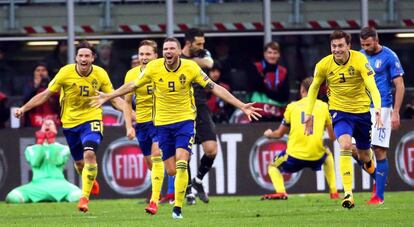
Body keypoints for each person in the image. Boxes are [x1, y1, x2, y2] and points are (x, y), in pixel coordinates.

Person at [90, 37, 261, 219]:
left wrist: (241, 105)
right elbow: (133, 85)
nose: (168, 52)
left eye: (172, 48)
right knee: (171, 170)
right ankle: (178, 192)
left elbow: (215, 87)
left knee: (181, 162)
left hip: (185, 121)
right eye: (166, 49)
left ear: (179, 52)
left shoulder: (191, 68)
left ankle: (177, 208)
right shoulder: (154, 68)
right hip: (162, 124)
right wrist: (109, 95)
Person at [14, 40, 126, 213]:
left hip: (92, 118)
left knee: (89, 153)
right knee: (80, 163)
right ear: (76, 57)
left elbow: (114, 97)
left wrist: (130, 114)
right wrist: (24, 108)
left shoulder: (100, 74)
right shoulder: (65, 72)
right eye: (80, 55)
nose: (83, 59)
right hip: (70, 122)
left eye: (87, 55)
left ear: (92, 58)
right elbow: (45, 94)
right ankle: (90, 179)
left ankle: (84, 198)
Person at [304, 30, 382, 209]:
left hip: (362, 113)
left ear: (348, 46)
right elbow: (313, 89)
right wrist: (309, 114)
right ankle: (348, 194)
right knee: (345, 145)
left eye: (340, 45)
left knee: (364, 155)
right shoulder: (323, 65)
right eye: (334, 46)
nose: (337, 49)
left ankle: (371, 165)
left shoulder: (360, 60)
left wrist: (376, 107)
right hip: (340, 112)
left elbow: (372, 86)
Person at [262, 77, 339, 200]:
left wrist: (269, 134)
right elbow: (332, 137)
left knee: (272, 166)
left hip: (294, 156)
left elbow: (279, 134)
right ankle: (334, 192)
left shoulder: (292, 107)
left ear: (302, 90)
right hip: (316, 155)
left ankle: (281, 192)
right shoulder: (324, 107)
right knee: (328, 155)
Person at [359, 27, 405, 205]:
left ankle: (378, 196)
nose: (365, 47)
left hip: (383, 108)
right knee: (354, 149)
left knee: (379, 150)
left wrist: (395, 112)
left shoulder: (389, 56)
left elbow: (399, 85)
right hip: (361, 107)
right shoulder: (360, 56)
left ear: (376, 40)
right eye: (362, 44)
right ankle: (375, 174)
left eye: (368, 44)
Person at [123, 40, 164, 215]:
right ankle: (168, 186)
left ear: (156, 56)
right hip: (142, 123)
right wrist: (129, 126)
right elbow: (126, 103)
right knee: (151, 163)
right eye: (141, 54)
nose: (144, 57)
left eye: (148, 54)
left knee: (156, 155)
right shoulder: (131, 74)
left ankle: (154, 200)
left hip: (161, 120)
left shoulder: (163, 71)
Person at [6, 119, 82, 203]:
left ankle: (63, 197)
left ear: (55, 130)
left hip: (59, 185)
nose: (48, 124)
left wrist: (51, 143)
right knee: (13, 197)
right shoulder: (31, 149)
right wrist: (39, 143)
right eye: (45, 123)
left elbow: (57, 161)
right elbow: (35, 162)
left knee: (78, 195)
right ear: (40, 129)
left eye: (51, 123)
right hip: (37, 185)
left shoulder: (64, 148)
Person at [181, 28, 216, 204]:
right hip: (183, 107)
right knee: (185, 151)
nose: (202, 46)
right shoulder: (175, 57)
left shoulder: (202, 54)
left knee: (211, 150)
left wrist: (188, 62)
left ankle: (198, 180)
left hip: (201, 106)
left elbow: (209, 63)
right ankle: (188, 190)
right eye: (199, 43)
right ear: (188, 43)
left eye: (203, 43)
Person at [247, 41, 290, 121]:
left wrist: (268, 93)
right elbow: (254, 86)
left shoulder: (283, 71)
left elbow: (285, 95)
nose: (272, 56)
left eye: (275, 53)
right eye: (269, 53)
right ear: (264, 54)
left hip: (277, 113)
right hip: (259, 112)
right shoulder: (256, 67)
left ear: (279, 55)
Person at [23, 62, 60, 127]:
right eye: (38, 70)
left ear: (47, 72)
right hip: (34, 119)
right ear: (34, 72)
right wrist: (36, 86)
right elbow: (26, 99)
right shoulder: (29, 84)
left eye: (43, 70)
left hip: (53, 119)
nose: (41, 73)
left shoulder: (54, 83)